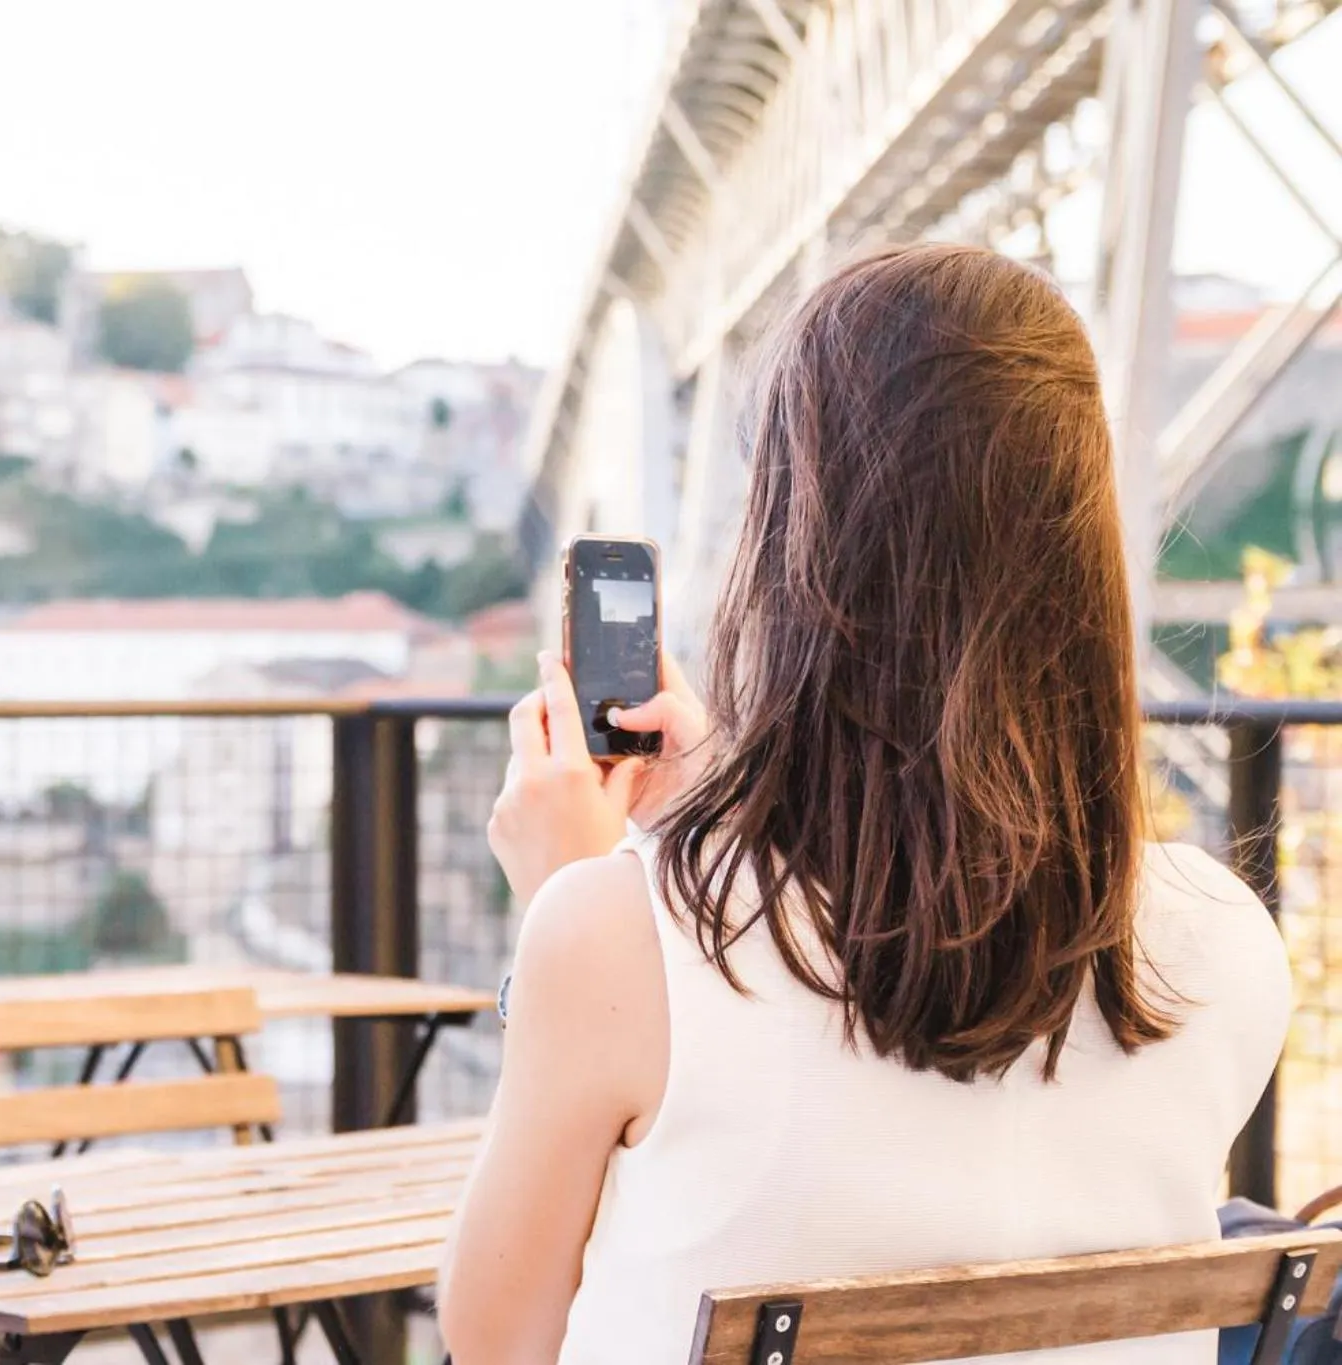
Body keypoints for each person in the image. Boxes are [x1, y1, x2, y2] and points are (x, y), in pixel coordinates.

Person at [437, 243, 1292, 1365]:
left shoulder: (611, 941)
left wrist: (579, 899)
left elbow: (500, 1338)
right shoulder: (1223, 940)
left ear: (788, 546)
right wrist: (722, 825)